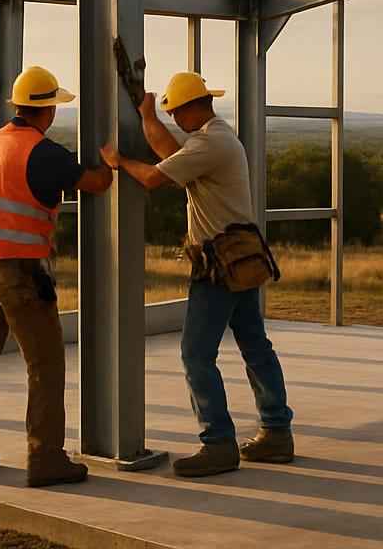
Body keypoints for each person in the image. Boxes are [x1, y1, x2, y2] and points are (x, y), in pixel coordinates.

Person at [101, 71, 295, 479]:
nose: (175, 122)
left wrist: (119, 162)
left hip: (218, 266)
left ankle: (218, 443)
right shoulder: (217, 139)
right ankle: (276, 432)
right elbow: (169, 153)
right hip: (241, 260)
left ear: (191, 108)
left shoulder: (211, 143)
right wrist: (147, 115)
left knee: (196, 354)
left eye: (175, 113)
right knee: (256, 346)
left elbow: (155, 176)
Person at [0, 65, 114, 487]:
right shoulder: (44, 152)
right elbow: (95, 182)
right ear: (50, 110)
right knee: (44, 362)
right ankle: (46, 458)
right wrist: (111, 163)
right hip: (17, 268)